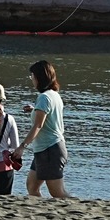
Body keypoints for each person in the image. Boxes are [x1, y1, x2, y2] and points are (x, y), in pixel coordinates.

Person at [21, 60, 68, 198]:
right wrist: (34, 110)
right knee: (32, 186)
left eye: (32, 76)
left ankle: (79, 212)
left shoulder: (44, 98)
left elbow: (38, 125)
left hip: (50, 149)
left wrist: (22, 146)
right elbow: (48, 116)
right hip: (43, 149)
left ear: (39, 78)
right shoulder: (54, 95)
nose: (32, 80)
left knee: (58, 193)